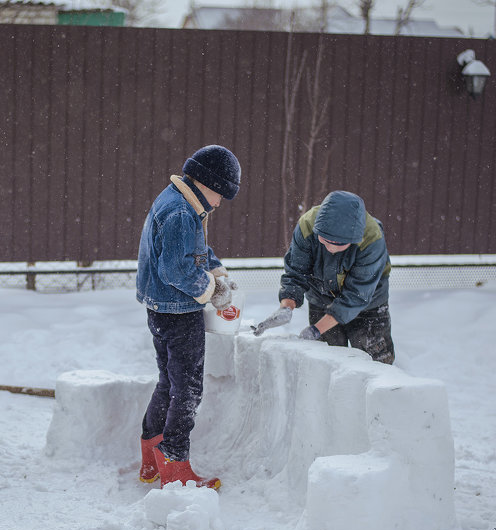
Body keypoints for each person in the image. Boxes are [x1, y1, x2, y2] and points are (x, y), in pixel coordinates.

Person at [135, 144, 241, 490]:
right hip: (179, 313)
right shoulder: (182, 213)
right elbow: (179, 270)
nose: (219, 202)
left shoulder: (176, 201)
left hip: (160, 309)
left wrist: (217, 273)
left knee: (168, 382)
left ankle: (151, 457)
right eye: (220, 194)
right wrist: (214, 291)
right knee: (188, 390)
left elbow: (196, 252)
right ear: (206, 183)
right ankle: (176, 467)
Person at [251, 190, 394, 364]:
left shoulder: (371, 239)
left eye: (339, 244)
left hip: (368, 306)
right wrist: (286, 307)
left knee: (375, 364)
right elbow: (296, 272)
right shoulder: (307, 226)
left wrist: (315, 330)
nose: (331, 248)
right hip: (321, 297)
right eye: (325, 240)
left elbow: (356, 296)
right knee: (325, 363)